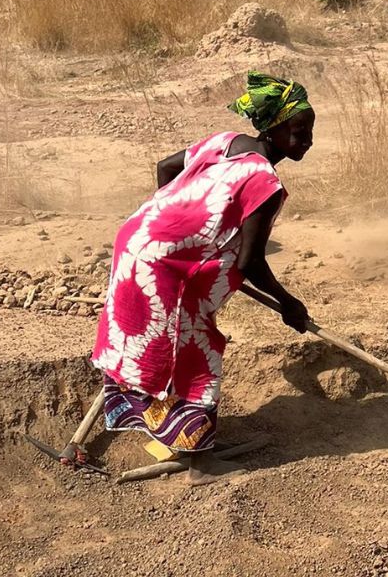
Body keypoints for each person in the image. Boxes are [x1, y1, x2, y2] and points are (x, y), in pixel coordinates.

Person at [90, 70, 315, 484]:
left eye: (310, 130)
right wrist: (289, 304)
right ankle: (198, 462)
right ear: (274, 127)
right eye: (299, 130)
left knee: (153, 344)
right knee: (196, 351)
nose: (307, 141)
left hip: (135, 243)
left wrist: (170, 220)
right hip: (166, 272)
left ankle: (177, 435)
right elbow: (250, 263)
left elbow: (165, 168)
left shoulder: (224, 141)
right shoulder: (265, 183)